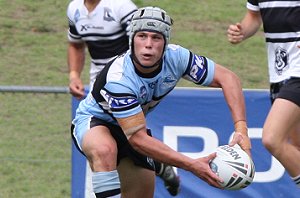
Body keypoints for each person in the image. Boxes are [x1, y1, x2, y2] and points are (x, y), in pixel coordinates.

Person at [71, 6, 252, 197]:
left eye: (156, 38)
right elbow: (138, 139)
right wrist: (191, 165)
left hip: (133, 129)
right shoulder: (119, 79)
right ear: (132, 40)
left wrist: (241, 129)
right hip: (96, 121)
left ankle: (160, 163)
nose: (148, 44)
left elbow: (229, 79)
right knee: (104, 149)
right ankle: (159, 162)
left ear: (165, 43)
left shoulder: (177, 58)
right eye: (142, 36)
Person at [66, 0, 180, 196]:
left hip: (127, 86)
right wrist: (74, 74)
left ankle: (158, 163)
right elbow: (76, 44)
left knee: (128, 141)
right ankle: (159, 164)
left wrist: (127, 84)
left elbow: (143, 44)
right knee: (101, 152)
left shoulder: (121, 7)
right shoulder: (74, 8)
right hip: (98, 88)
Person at [227, 0, 300, 188]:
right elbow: (254, 16)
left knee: (272, 138)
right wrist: (242, 30)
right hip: (279, 71)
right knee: (296, 147)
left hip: (298, 71)